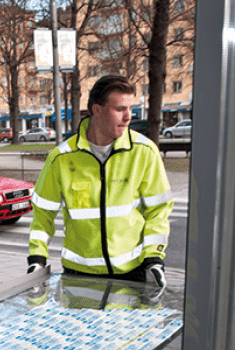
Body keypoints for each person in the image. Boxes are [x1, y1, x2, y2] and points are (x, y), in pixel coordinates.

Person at [26, 75, 172, 288]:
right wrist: (37, 260)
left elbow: (158, 210)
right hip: (79, 278)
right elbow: (42, 216)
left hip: (133, 274)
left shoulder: (144, 152)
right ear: (98, 110)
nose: (128, 117)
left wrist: (154, 260)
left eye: (130, 108)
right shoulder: (61, 158)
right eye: (120, 109)